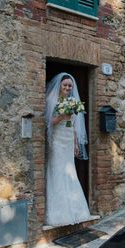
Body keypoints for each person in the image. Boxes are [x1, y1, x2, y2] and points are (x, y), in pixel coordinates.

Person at [44, 72, 93, 226]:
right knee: (57, 171)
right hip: (56, 141)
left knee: (70, 172)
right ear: (59, 85)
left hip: (68, 140)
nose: (67, 87)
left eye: (70, 85)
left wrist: (76, 144)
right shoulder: (51, 100)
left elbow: (71, 125)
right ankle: (58, 213)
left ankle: (76, 210)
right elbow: (48, 122)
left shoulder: (72, 101)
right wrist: (62, 115)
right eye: (65, 85)